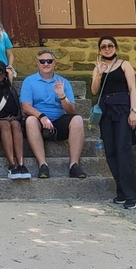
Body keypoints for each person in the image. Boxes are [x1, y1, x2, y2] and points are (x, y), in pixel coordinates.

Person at [20, 49, 87, 179]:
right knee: (30, 120)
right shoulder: (29, 81)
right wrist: (42, 116)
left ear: (54, 63)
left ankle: (74, 165)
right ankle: (42, 165)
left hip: (59, 121)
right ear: (37, 63)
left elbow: (71, 111)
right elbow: (25, 107)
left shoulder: (63, 82)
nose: (46, 64)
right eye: (42, 61)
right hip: (39, 121)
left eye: (49, 61)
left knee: (78, 119)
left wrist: (62, 96)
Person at [91, 35, 136, 209]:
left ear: (116, 48)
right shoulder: (98, 68)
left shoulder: (125, 65)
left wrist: (133, 111)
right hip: (106, 112)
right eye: (103, 46)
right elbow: (94, 91)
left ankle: (131, 194)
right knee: (110, 151)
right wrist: (100, 73)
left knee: (123, 150)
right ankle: (121, 192)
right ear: (100, 50)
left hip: (123, 110)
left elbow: (132, 88)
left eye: (110, 45)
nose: (107, 49)